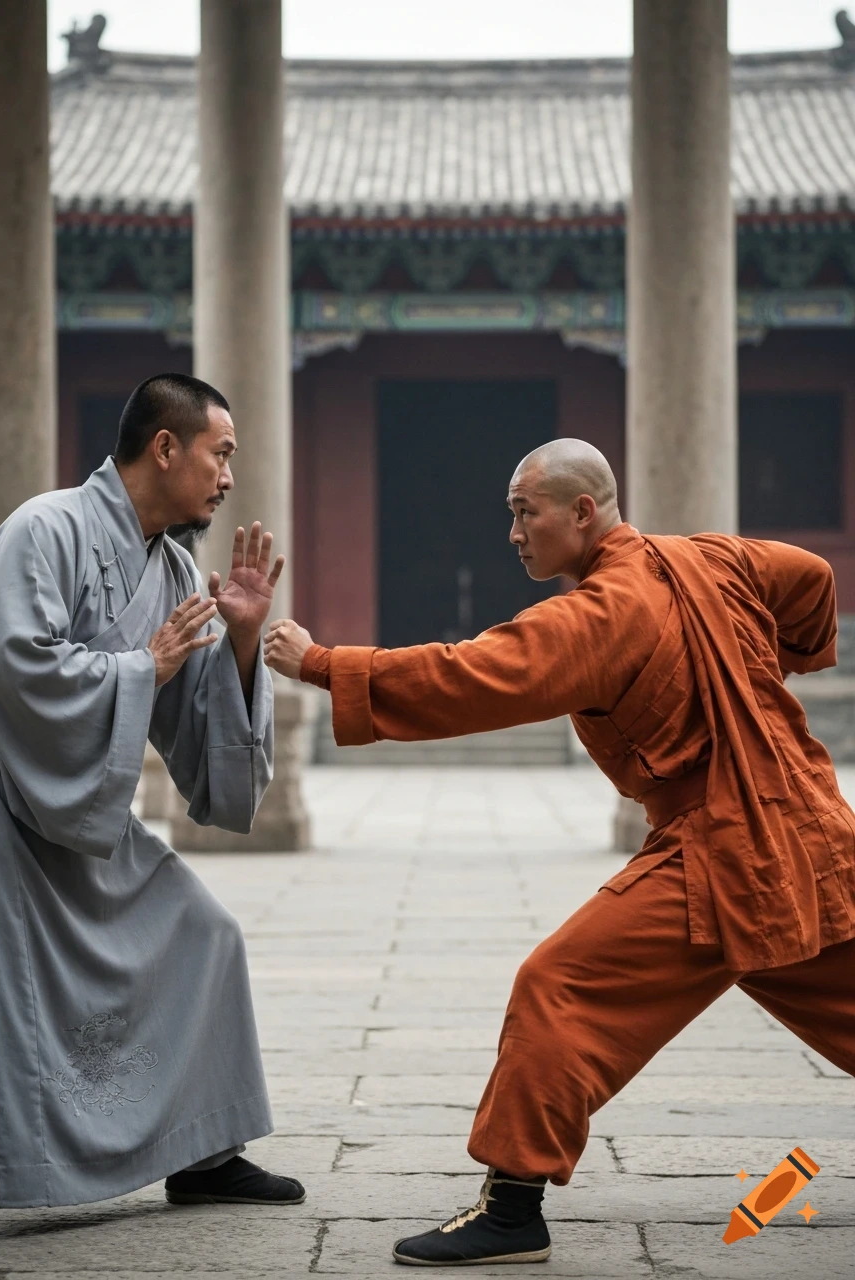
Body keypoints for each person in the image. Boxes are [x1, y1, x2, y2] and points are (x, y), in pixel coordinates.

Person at [264, 438, 855, 1267]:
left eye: (523, 512)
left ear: (583, 512)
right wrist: (779, 664)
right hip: (819, 831)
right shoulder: (714, 559)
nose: (512, 532)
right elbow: (812, 578)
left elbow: (471, 675)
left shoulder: (604, 615)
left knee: (560, 985)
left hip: (724, 849)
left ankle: (511, 1210)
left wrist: (324, 664)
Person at [0, 373, 305, 1211]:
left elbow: (197, 730)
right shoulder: (44, 528)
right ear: (164, 448)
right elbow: (10, 661)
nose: (228, 478)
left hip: (84, 811)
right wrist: (136, 668)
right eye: (219, 455)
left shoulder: (176, 568)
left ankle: (205, 1152)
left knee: (202, 933)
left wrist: (244, 643)